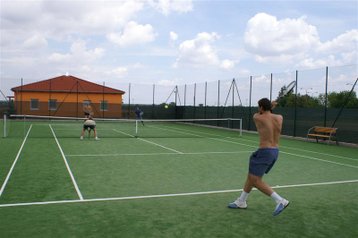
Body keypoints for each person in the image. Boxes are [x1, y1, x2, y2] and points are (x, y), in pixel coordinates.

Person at [228, 98, 289, 216]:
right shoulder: (279, 118)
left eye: (258, 106)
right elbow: (268, 112)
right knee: (251, 177)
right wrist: (270, 107)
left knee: (255, 180)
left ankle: (280, 200)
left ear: (261, 108)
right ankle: (241, 201)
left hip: (264, 151)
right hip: (275, 151)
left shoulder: (257, 117)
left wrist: (269, 106)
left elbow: (261, 113)